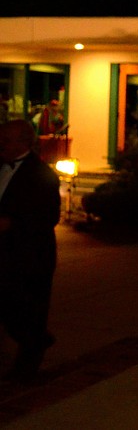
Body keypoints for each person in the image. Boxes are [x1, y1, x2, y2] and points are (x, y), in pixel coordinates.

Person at [0, 119, 60, 383]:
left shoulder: (42, 173)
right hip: (4, 254)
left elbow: (49, 217)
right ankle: (36, 338)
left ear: (24, 142)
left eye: (7, 139)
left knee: (27, 308)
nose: (2, 144)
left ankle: (27, 369)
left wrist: (13, 223)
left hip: (30, 256)